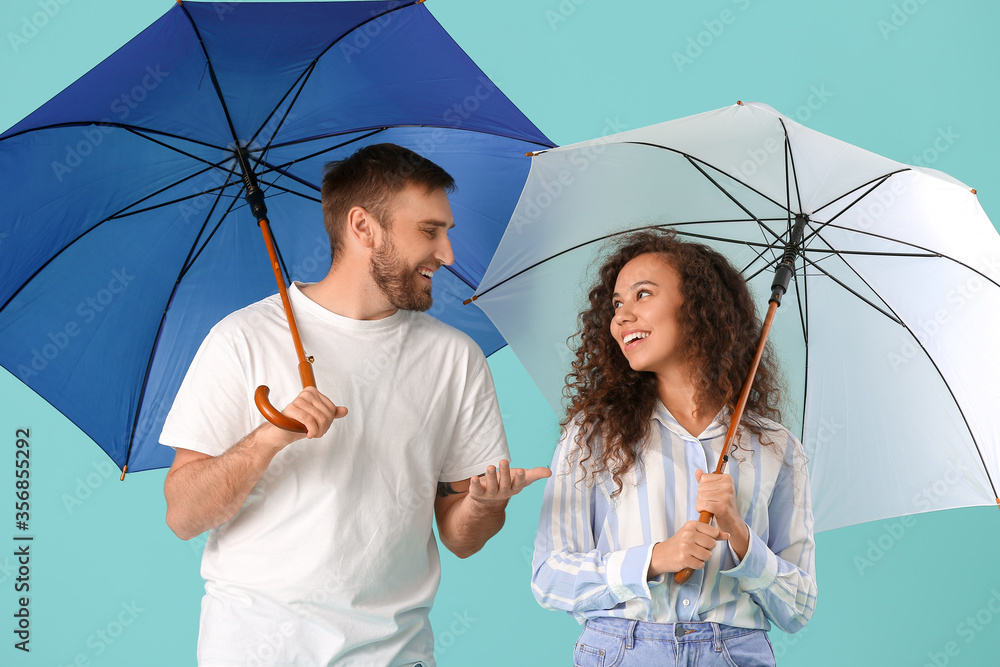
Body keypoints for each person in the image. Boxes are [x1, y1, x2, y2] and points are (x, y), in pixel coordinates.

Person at [161, 143, 550, 667]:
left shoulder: (455, 357)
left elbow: (461, 538)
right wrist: (270, 436)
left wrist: (483, 506)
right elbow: (184, 515)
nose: (448, 254)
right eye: (430, 231)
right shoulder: (241, 339)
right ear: (363, 227)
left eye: (447, 232)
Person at [531, 229, 816, 666]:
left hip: (734, 655)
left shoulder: (775, 447)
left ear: (700, 309)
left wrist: (738, 535)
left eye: (642, 295)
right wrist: (655, 558)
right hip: (622, 650)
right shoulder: (593, 435)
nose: (622, 317)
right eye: (617, 304)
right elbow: (550, 578)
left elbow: (797, 608)